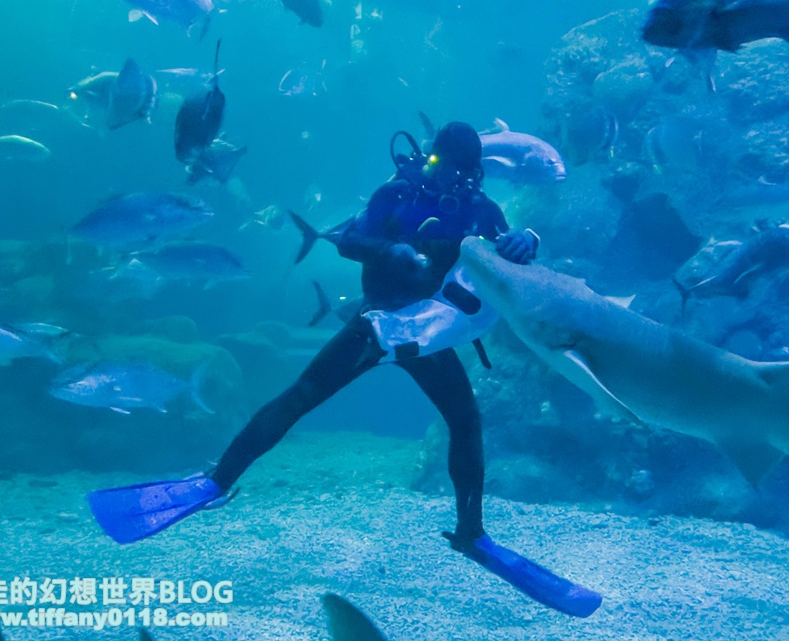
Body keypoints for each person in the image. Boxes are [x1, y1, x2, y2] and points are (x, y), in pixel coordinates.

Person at [88, 122, 601, 617]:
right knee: (301, 396)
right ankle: (215, 482)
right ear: (432, 159)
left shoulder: (480, 209)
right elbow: (351, 238)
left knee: (465, 420)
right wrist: (390, 249)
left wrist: (526, 239)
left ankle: (472, 532)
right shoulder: (398, 194)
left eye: (468, 170)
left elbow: (510, 258)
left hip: (428, 336)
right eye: (448, 166)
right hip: (375, 327)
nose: (457, 179)